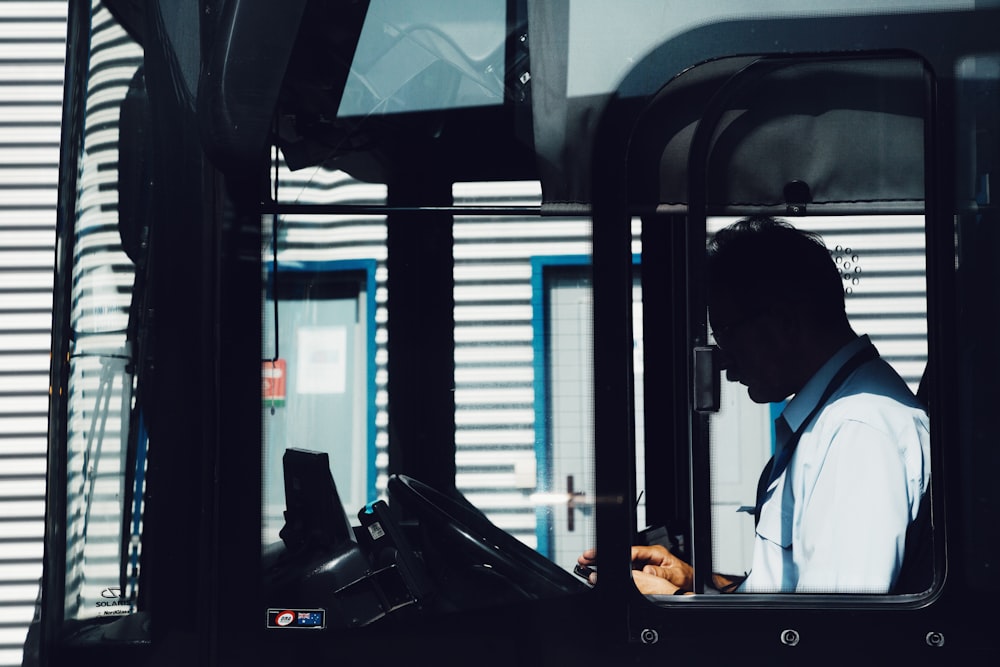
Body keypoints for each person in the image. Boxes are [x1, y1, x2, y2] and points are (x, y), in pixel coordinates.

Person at [580, 216, 930, 594]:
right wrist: (702, 585)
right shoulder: (837, 420)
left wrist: (677, 603)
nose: (725, 361)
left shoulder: (857, 433)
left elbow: (834, 631)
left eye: (727, 333)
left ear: (785, 323)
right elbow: (794, 595)